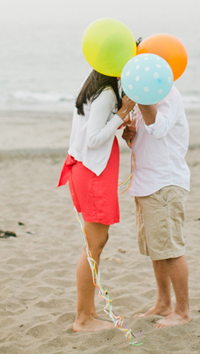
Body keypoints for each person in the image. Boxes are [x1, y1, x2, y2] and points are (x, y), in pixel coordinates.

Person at [58, 69, 134, 332]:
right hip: (92, 172)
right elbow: (93, 139)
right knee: (94, 245)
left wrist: (121, 120)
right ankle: (83, 318)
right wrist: (120, 116)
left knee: (96, 243)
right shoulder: (105, 93)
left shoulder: (98, 87)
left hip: (89, 170)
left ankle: (88, 312)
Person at [121, 83, 192, 327]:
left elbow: (159, 129)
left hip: (165, 182)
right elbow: (147, 138)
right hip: (145, 182)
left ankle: (182, 311)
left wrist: (141, 97)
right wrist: (130, 134)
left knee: (170, 249)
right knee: (156, 248)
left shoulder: (168, 93)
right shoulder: (146, 98)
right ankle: (164, 303)